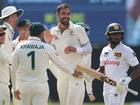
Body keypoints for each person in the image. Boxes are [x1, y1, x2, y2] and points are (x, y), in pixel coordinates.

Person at [11, 22, 81, 105]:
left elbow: (13, 69)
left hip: (25, 86)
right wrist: (73, 72)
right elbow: (60, 64)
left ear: (30, 33)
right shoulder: (47, 47)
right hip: (41, 86)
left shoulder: (20, 47)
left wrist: (15, 88)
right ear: (41, 33)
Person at [50, 3, 92, 105]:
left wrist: (75, 49)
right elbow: (53, 54)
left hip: (76, 72)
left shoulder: (78, 29)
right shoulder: (53, 31)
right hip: (63, 73)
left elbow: (89, 48)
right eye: (63, 13)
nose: (66, 16)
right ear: (58, 14)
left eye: (68, 14)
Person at [98, 23, 140, 105]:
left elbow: (138, 68)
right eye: (114, 34)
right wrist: (92, 75)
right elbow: (102, 69)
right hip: (106, 87)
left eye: (119, 33)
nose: (117, 36)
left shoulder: (127, 50)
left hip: (119, 86)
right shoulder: (104, 50)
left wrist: (128, 79)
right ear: (108, 35)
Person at [75, 22, 96, 102]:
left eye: (85, 32)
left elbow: (87, 72)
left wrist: (90, 92)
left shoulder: (88, 49)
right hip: (68, 82)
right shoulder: (68, 45)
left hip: (80, 84)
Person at [0, 25, 12, 105]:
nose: (3, 36)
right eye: (0, 34)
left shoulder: (1, 49)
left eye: (3, 33)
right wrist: (20, 48)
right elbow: (11, 59)